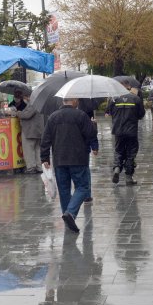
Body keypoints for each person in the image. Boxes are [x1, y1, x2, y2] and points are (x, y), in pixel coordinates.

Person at [41, 97, 98, 233]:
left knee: (64, 190)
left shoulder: (53, 117)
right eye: (77, 100)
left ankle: (68, 219)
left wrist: (44, 157)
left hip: (59, 159)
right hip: (78, 158)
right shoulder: (81, 116)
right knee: (83, 186)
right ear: (73, 101)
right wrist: (95, 144)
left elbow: (45, 138)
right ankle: (70, 213)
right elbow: (90, 134)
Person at [107, 82, 146, 185]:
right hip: (131, 131)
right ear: (129, 87)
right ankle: (128, 176)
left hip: (118, 131)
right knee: (131, 153)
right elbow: (141, 114)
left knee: (118, 150)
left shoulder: (113, 99)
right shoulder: (135, 99)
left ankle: (116, 168)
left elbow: (109, 112)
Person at [18, 94, 45, 174]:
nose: (24, 99)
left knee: (29, 150)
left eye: (25, 97)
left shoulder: (33, 104)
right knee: (37, 149)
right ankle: (39, 167)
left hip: (30, 131)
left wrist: (17, 113)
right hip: (37, 131)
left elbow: (27, 115)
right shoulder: (39, 103)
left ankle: (31, 168)